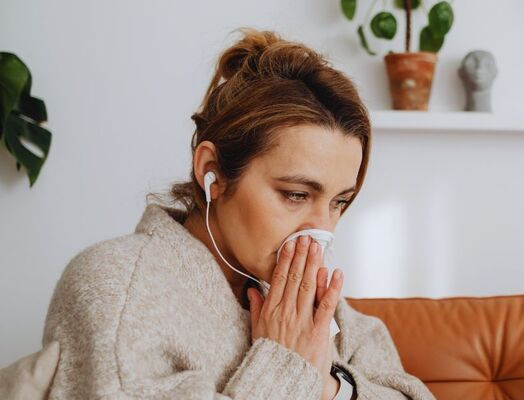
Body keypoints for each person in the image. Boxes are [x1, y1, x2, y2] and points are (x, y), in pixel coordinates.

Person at [41, 29, 436, 400]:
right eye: (296, 194)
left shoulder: (300, 298)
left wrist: (330, 385)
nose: (323, 230)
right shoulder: (115, 290)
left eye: (339, 202)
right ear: (212, 172)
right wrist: (287, 366)